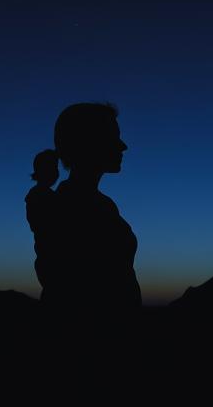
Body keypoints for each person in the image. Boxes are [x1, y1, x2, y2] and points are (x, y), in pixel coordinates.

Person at [42, 101, 142, 316]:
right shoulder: (72, 208)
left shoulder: (99, 204)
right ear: (88, 142)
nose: (123, 146)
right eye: (113, 137)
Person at [25, 149, 60, 292]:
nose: (56, 172)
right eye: (52, 167)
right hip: (50, 260)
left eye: (56, 167)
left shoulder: (41, 195)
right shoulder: (41, 196)